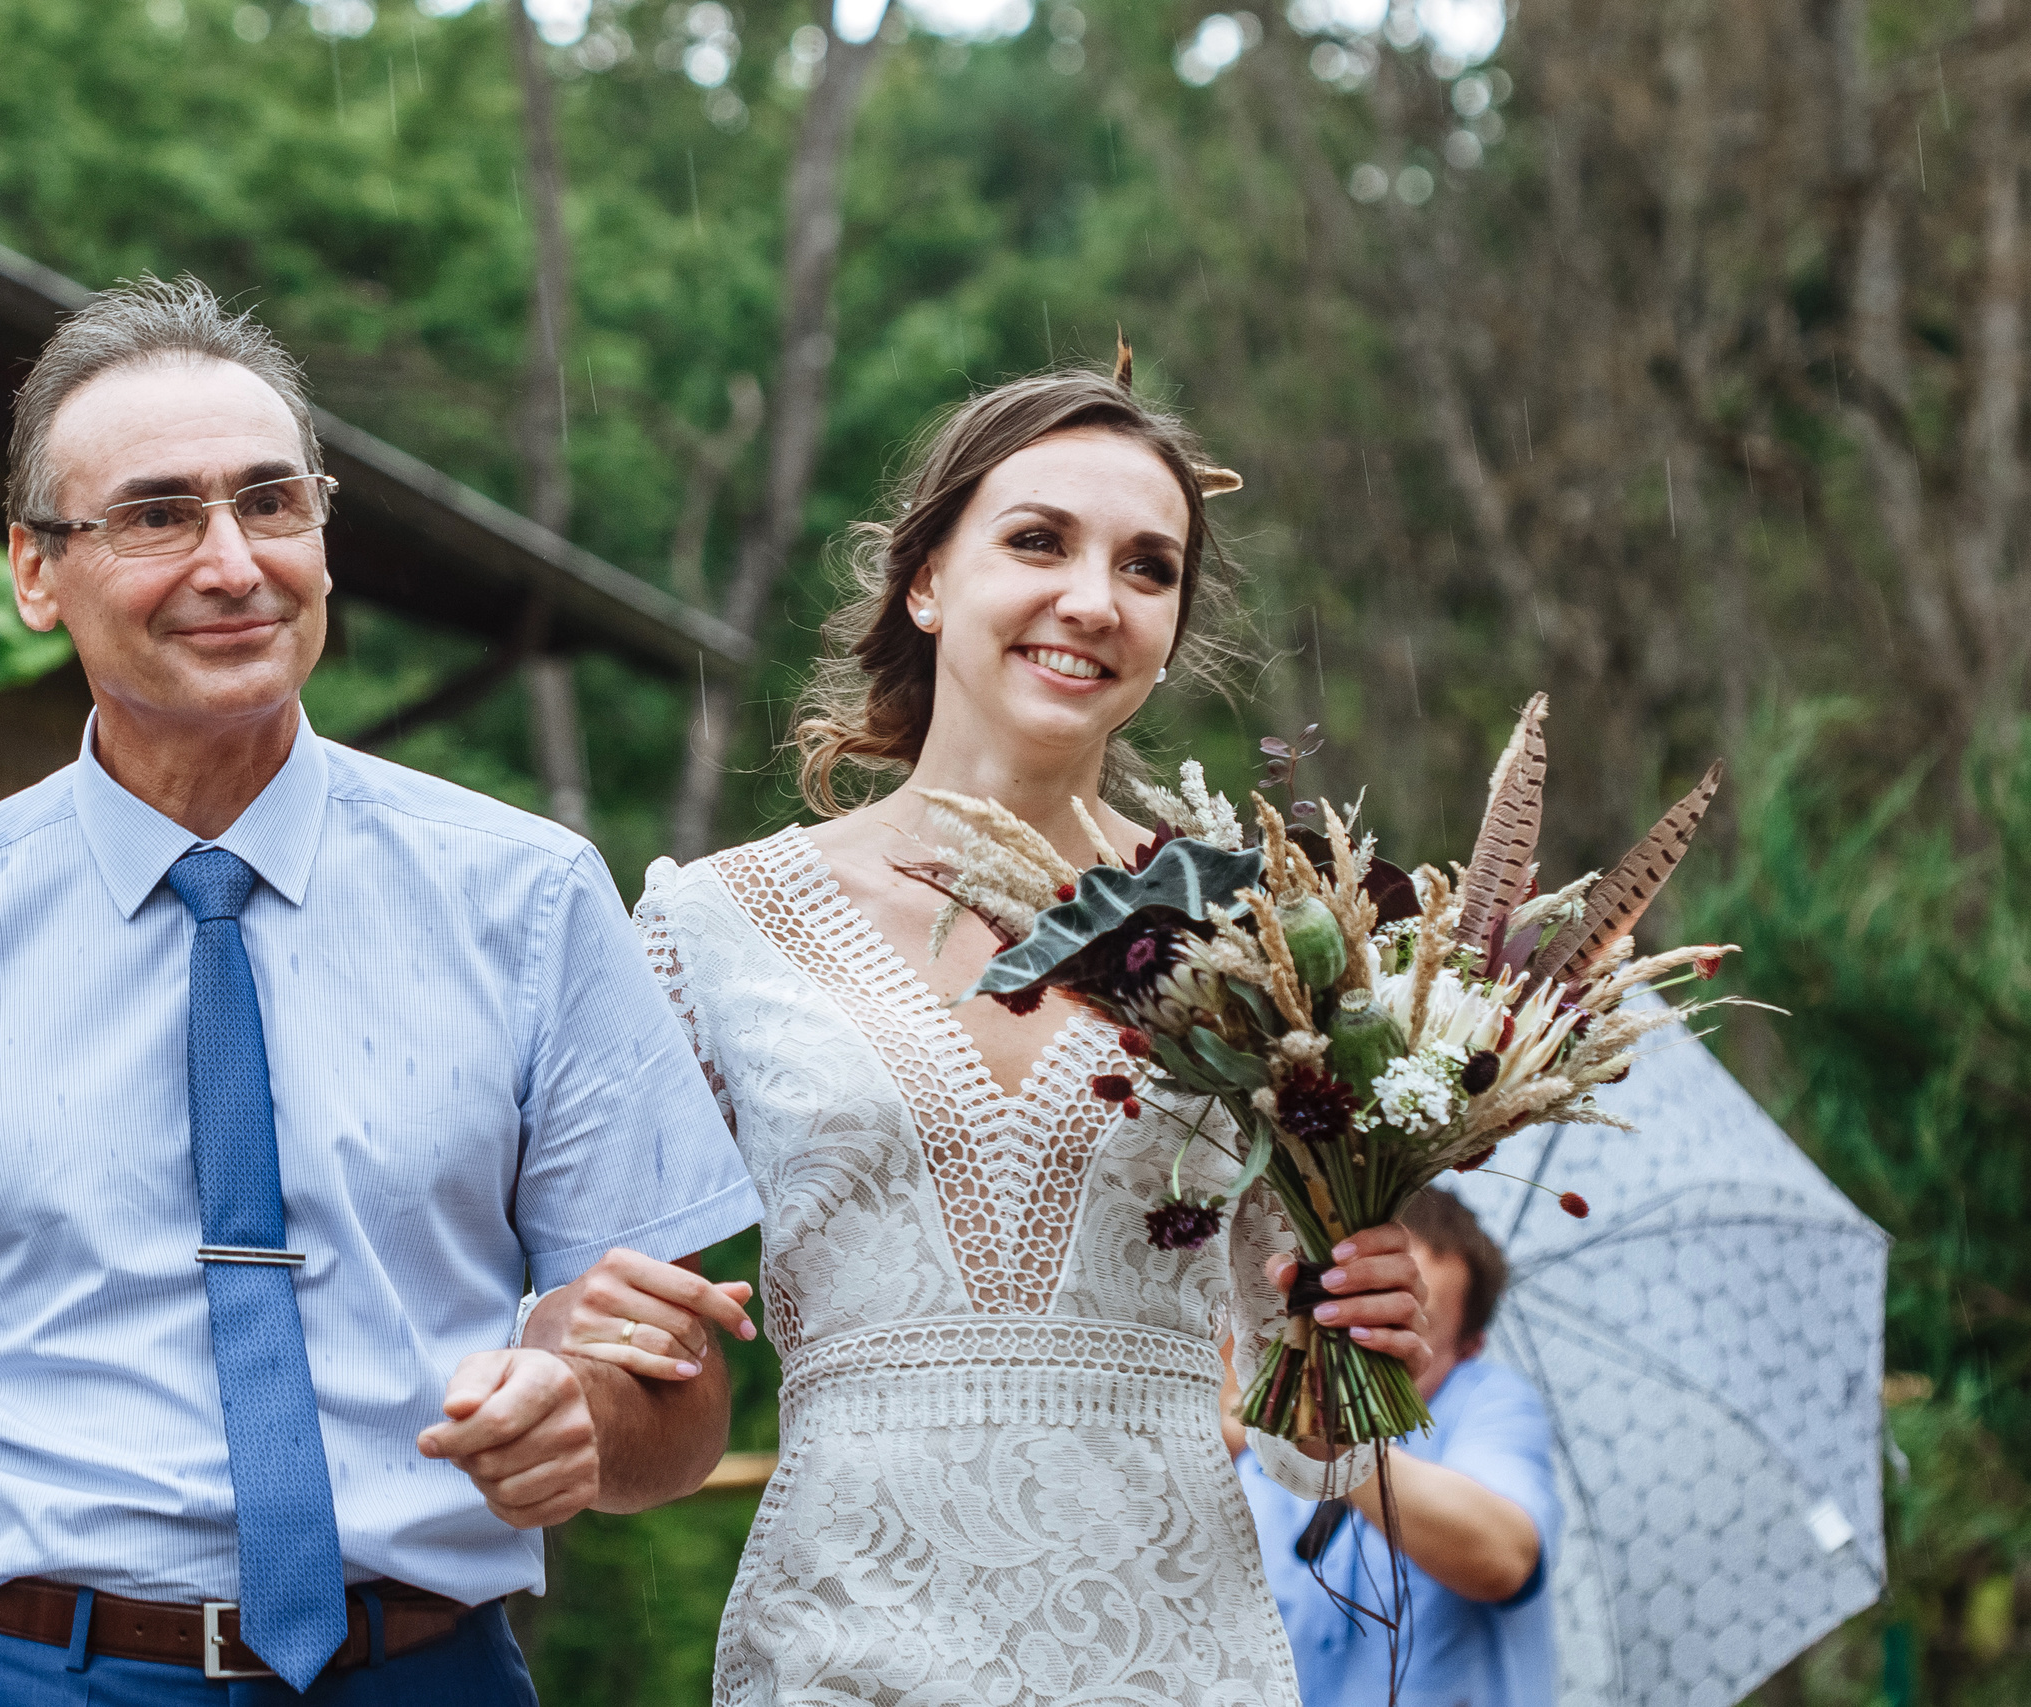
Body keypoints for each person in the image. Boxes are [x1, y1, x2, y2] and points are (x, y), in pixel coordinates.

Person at [0, 276, 763, 1706]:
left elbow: (678, 1409)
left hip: (428, 1672)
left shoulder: (532, 899)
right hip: (36, 1679)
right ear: (35, 568)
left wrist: (584, 1411)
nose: (233, 561)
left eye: (273, 502)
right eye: (157, 514)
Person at [534, 355, 1432, 1705]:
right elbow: (622, 1350)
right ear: (928, 578)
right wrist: (582, 1341)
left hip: (1170, 1661)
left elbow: (1314, 1445)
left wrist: (1364, 1337)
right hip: (847, 1653)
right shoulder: (713, 926)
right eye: (1037, 541)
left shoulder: (1266, 936)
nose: (1092, 597)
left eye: (1148, 566)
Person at [1232, 1187, 1560, 1707]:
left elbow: (1502, 1558)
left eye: (1404, 1314)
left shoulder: (1489, 1400)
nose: (1363, 1329)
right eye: (1352, 1298)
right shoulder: (1261, 1430)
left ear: (1467, 1348)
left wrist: (1340, 1447)